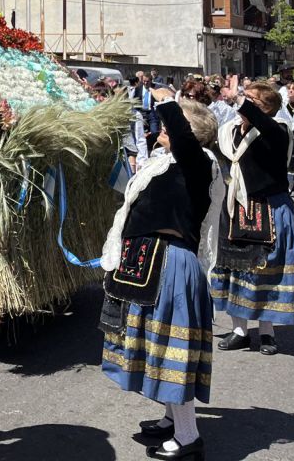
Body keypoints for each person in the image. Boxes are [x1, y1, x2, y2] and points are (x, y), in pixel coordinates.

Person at [100, 90, 224, 461]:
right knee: (155, 347)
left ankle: (189, 437)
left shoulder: (200, 163)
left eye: (169, 126)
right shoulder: (165, 164)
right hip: (149, 263)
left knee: (172, 351)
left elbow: (184, 142)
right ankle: (172, 419)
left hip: (170, 264)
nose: (161, 132)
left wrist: (170, 99)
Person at [211, 81, 294, 357]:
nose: (243, 104)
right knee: (236, 270)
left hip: (270, 208)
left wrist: (239, 97)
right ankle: (240, 331)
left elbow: (262, 124)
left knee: (265, 271)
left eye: (251, 101)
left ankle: (267, 331)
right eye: (245, 99)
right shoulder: (228, 131)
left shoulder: (277, 129)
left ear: (266, 108)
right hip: (237, 209)